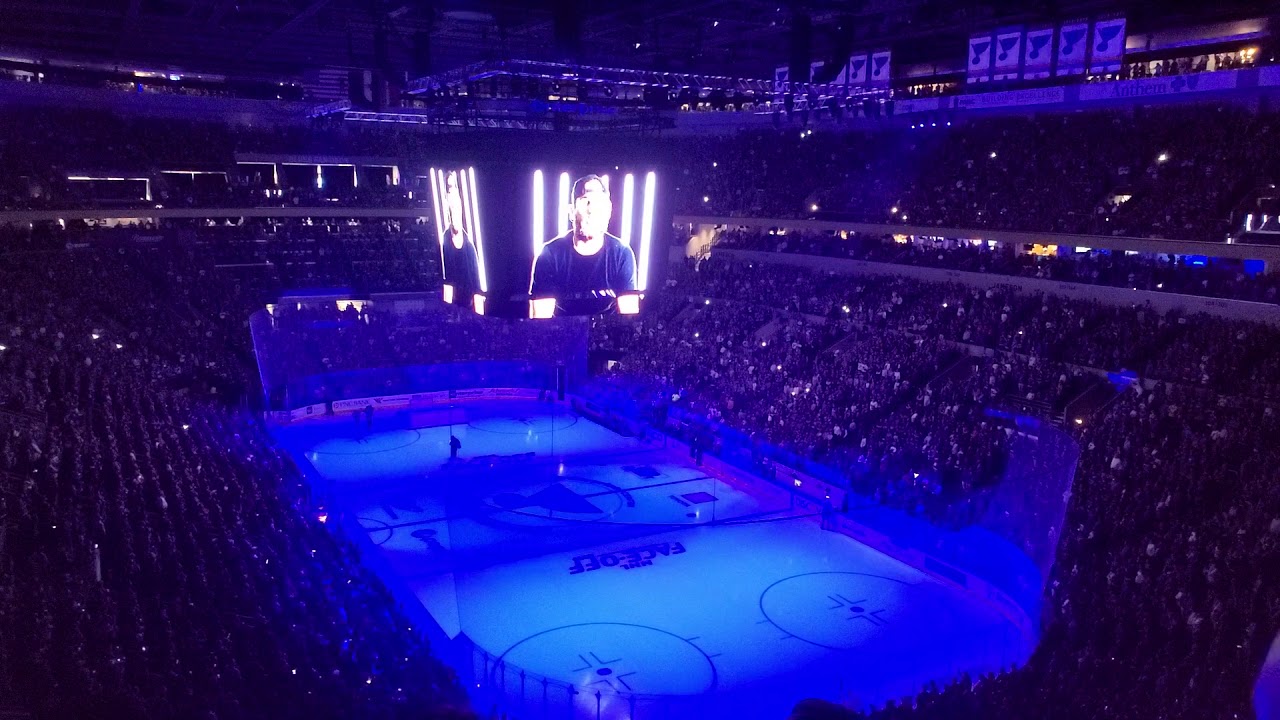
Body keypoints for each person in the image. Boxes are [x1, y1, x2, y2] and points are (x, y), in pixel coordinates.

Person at [529, 174, 637, 303]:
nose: (592, 210)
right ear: (571, 211)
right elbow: (541, 314)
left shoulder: (621, 254)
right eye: (586, 201)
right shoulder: (550, 254)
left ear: (608, 211)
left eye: (599, 203)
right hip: (563, 317)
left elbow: (629, 311)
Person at [438, 170, 481, 303]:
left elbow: (477, 289)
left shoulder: (471, 246)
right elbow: (445, 282)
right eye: (449, 189)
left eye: (455, 188)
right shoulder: (443, 243)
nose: (452, 197)